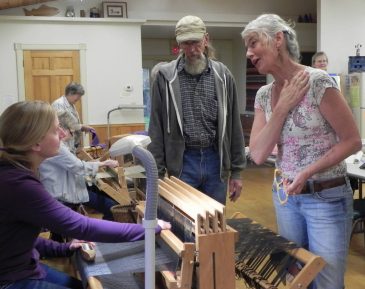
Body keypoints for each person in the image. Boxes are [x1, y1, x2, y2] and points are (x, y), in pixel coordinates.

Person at [241, 14, 361, 289]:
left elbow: (352, 140)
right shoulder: (264, 95)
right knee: (295, 279)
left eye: (254, 43)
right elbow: (258, 155)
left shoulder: (318, 82)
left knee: (327, 283)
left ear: (278, 39)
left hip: (326, 197)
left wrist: (307, 171)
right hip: (286, 199)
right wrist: (282, 106)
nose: (249, 53)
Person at [0, 101, 171, 289]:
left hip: (23, 267)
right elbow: (82, 226)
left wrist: (63, 248)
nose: (64, 135)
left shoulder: (14, 173)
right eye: (56, 130)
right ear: (36, 143)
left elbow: (16, 238)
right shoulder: (17, 184)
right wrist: (147, 229)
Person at [148, 15, 246, 205]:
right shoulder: (165, 78)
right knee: (183, 224)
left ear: (206, 39)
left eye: (196, 42)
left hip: (215, 161)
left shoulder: (223, 76)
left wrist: (237, 172)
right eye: (186, 44)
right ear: (179, 44)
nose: (192, 50)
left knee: (214, 223)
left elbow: (234, 125)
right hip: (183, 163)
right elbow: (156, 128)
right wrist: (157, 174)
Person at [39, 110, 118, 222]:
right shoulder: (58, 147)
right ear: (61, 129)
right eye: (71, 132)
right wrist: (104, 163)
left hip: (63, 186)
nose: (72, 136)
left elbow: (75, 164)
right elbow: (78, 167)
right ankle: (107, 234)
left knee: (101, 193)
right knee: (111, 206)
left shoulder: (58, 144)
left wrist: (99, 162)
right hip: (61, 192)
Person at [52, 82, 94, 154]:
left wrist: (81, 127)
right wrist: (82, 127)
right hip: (63, 143)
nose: (79, 98)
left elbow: (73, 122)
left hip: (70, 143)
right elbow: (69, 123)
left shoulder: (70, 104)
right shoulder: (59, 104)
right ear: (71, 93)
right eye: (78, 95)